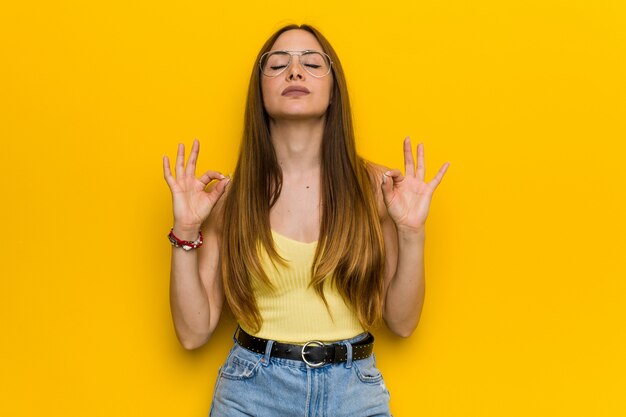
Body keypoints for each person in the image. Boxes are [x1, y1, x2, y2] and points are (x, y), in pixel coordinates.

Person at [162, 23, 449, 417]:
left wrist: (412, 233)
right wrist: (186, 230)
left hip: (354, 394)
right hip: (251, 394)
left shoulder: (377, 188)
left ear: (335, 93)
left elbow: (401, 322)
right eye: (278, 65)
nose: (295, 72)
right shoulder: (230, 200)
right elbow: (193, 333)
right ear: (259, 94)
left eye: (312, 63)